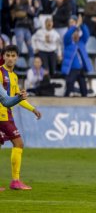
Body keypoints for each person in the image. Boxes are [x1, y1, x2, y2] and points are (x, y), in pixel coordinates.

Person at [0, 45, 41, 190]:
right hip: (2, 115)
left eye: (13, 55)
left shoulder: (14, 76)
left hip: (7, 113)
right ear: (3, 56)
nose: (10, 58)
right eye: (8, 55)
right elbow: (5, 98)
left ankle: (15, 181)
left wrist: (32, 109)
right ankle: (15, 181)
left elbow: (19, 98)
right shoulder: (0, 72)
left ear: (17, 57)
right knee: (18, 143)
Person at [62, 15, 93, 97]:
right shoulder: (68, 42)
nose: (75, 35)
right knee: (69, 88)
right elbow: (67, 35)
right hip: (72, 69)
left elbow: (87, 34)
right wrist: (75, 26)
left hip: (81, 69)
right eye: (74, 33)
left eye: (77, 33)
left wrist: (81, 24)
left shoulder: (81, 42)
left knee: (84, 89)